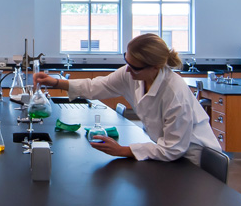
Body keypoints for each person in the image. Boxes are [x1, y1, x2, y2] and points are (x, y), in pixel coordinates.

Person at [33, 33, 221, 164]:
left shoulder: (174, 93)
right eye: (126, 61)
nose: (128, 70)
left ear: (155, 67)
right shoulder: (132, 73)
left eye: (135, 67)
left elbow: (172, 149)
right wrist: (56, 83)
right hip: (167, 156)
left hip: (192, 161)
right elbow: (98, 86)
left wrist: (123, 150)